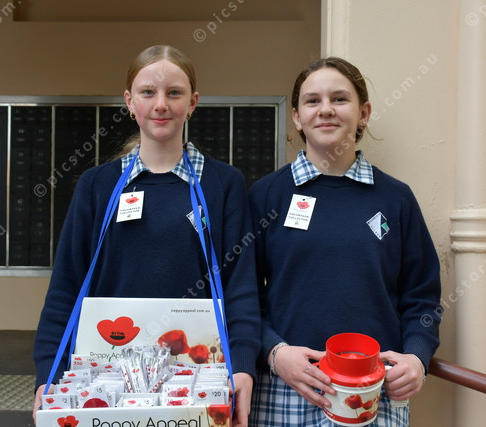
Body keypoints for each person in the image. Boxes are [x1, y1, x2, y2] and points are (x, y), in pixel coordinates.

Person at [32, 45, 260, 426]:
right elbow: (66, 288)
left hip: (200, 378)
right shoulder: (97, 185)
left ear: (193, 103)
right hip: (104, 380)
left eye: (174, 93)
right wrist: (47, 372)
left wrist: (243, 366)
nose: (161, 104)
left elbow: (240, 288)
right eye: (148, 92)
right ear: (129, 102)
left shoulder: (223, 184)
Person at [248, 57, 442, 426]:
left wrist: (417, 357)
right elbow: (243, 296)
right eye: (312, 101)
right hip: (286, 388)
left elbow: (422, 297)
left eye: (339, 99)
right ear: (296, 117)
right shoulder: (266, 196)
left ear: (363, 113)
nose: (326, 110)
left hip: (374, 393)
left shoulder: (396, 199)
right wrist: (274, 352)